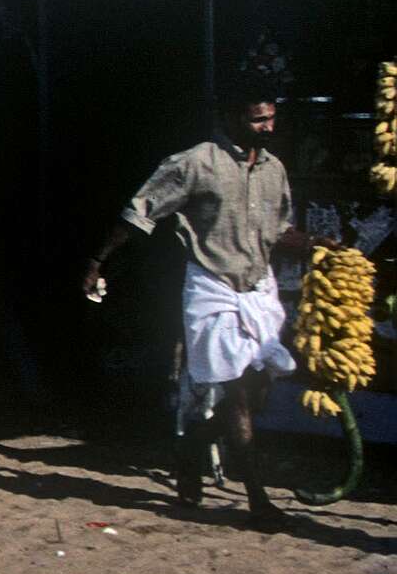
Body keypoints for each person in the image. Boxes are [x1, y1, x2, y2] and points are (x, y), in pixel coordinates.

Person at [81, 75, 306, 526]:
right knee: (236, 392)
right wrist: (97, 260)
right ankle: (258, 499)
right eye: (257, 119)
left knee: (258, 390)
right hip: (212, 289)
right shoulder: (196, 163)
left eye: (271, 118)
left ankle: (193, 443)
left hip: (257, 289)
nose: (267, 127)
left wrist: (319, 245)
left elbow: (280, 231)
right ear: (231, 118)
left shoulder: (275, 171)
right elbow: (140, 212)